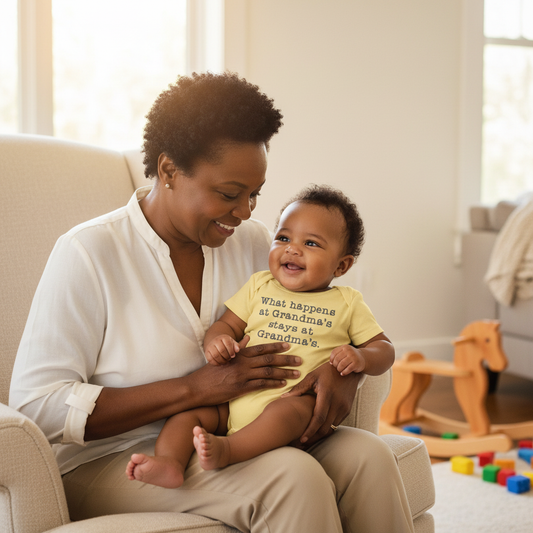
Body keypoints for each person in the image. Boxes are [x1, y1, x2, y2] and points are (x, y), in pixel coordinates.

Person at [9, 72, 414, 533]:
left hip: (240, 429)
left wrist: (344, 376)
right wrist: (195, 388)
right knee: (293, 479)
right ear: (168, 171)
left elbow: (328, 325)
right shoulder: (89, 252)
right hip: (115, 460)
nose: (245, 212)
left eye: (254, 194)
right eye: (228, 194)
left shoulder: (255, 243)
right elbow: (36, 406)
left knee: (369, 456)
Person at [126, 184, 395, 489]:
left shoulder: (347, 302)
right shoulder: (259, 285)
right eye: (283, 238)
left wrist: (360, 357)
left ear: (342, 265)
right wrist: (219, 342)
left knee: (286, 412)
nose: (292, 248)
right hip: (233, 399)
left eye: (311, 243)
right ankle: (169, 462)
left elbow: (383, 348)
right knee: (187, 415)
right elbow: (225, 325)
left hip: (292, 401)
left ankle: (229, 450)